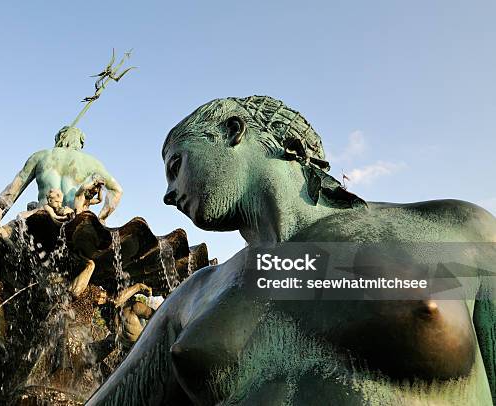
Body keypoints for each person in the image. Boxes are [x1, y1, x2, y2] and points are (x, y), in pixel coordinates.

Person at [87, 96, 496, 405]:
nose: (169, 195)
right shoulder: (194, 294)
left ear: (234, 132)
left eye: (176, 165)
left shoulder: (456, 227)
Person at [0, 126, 122, 224]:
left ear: (59, 138)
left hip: (42, 216)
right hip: (75, 219)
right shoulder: (93, 163)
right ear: (80, 143)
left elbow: (12, 191)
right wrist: (101, 218)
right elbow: (117, 191)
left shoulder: (40, 156)